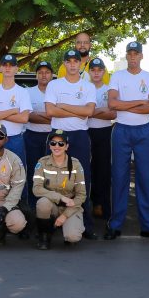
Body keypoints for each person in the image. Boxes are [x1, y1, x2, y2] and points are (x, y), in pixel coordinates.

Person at [106, 41, 149, 241]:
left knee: (147, 178)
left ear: (141, 56)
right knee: (119, 178)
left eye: (136, 53)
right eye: (129, 53)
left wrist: (125, 106)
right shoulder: (117, 76)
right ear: (126, 56)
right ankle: (115, 225)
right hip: (121, 130)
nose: (132, 56)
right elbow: (112, 103)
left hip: (143, 131)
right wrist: (140, 101)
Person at [45, 49, 97, 238]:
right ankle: (49, 222)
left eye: (76, 61)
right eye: (69, 61)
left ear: (81, 64)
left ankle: (86, 223)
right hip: (59, 134)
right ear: (64, 64)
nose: (73, 64)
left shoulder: (88, 87)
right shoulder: (54, 85)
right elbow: (50, 111)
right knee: (52, 178)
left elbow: (89, 111)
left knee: (82, 179)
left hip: (80, 135)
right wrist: (79, 111)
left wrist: (64, 106)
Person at [31, 129, 87, 249]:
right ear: (49, 145)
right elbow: (36, 189)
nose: (57, 146)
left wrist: (65, 215)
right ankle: (44, 236)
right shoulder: (42, 162)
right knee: (42, 203)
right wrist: (60, 197)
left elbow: (81, 195)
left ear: (66, 146)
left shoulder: (76, 164)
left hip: (70, 206)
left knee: (72, 237)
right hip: (52, 205)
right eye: (53, 143)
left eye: (61, 143)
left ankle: (67, 227)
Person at [0, 54, 31, 167]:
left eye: (11, 65)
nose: (8, 68)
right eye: (5, 65)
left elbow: (24, 118)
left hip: (15, 139)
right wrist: (13, 110)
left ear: (16, 69)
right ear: (0, 68)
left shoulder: (23, 92)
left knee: (17, 175)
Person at [86, 58, 115, 219]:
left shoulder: (109, 89)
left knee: (103, 170)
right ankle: (85, 206)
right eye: (93, 70)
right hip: (86, 131)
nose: (96, 73)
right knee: (85, 170)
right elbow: (81, 111)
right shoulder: (84, 88)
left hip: (104, 132)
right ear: (89, 72)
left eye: (99, 70)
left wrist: (90, 111)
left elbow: (113, 113)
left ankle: (101, 205)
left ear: (104, 71)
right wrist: (99, 110)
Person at [24, 61, 54, 207]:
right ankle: (32, 205)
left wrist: (41, 115)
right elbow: (28, 116)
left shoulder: (57, 90)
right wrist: (50, 115)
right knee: (33, 171)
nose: (44, 75)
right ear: (36, 75)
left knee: (51, 173)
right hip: (32, 136)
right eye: (40, 72)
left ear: (52, 75)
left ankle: (49, 206)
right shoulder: (28, 92)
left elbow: (60, 115)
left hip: (52, 138)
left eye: (47, 72)